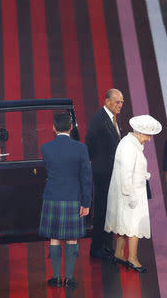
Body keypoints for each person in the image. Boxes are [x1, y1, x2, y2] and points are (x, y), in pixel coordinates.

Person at [39, 113, 92, 288]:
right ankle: (69, 278)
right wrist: (86, 203)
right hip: (73, 198)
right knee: (72, 239)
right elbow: (86, 178)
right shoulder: (81, 148)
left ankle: (56, 278)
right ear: (71, 128)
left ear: (53, 128)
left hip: (52, 198)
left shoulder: (45, 148)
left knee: (54, 237)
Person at [104, 115, 162, 273]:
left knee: (123, 225)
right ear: (139, 132)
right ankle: (133, 258)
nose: (149, 140)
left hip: (129, 192)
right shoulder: (130, 146)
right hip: (131, 194)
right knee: (134, 225)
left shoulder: (130, 143)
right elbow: (126, 172)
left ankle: (119, 253)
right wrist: (130, 195)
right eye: (147, 135)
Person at [85, 88, 124, 259]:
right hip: (102, 174)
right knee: (101, 210)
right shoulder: (99, 119)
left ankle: (107, 246)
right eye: (117, 101)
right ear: (107, 101)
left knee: (110, 210)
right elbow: (89, 144)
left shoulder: (113, 119)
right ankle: (97, 248)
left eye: (122, 102)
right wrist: (97, 165)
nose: (120, 105)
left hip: (111, 173)